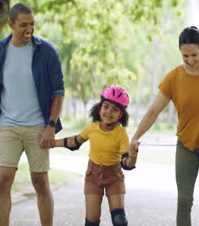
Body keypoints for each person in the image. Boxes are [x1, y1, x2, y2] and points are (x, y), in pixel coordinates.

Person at [128, 26, 199, 226]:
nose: (190, 60)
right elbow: (153, 111)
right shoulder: (174, 77)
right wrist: (135, 136)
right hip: (186, 145)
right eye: (185, 55)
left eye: (194, 54)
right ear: (179, 51)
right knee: (184, 201)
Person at [0, 3, 64, 226]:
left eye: (32, 24)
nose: (29, 29)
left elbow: (58, 92)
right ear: (11, 24)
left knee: (40, 181)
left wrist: (50, 126)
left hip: (38, 127)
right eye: (24, 25)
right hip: (8, 125)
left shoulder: (46, 51)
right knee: (3, 180)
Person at [45, 85, 137, 226]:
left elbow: (126, 163)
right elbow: (75, 142)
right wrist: (52, 142)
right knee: (91, 222)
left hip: (114, 177)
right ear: (100, 108)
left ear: (121, 115)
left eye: (115, 109)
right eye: (106, 106)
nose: (109, 112)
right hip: (93, 176)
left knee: (120, 220)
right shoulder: (92, 128)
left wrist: (133, 156)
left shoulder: (121, 133)